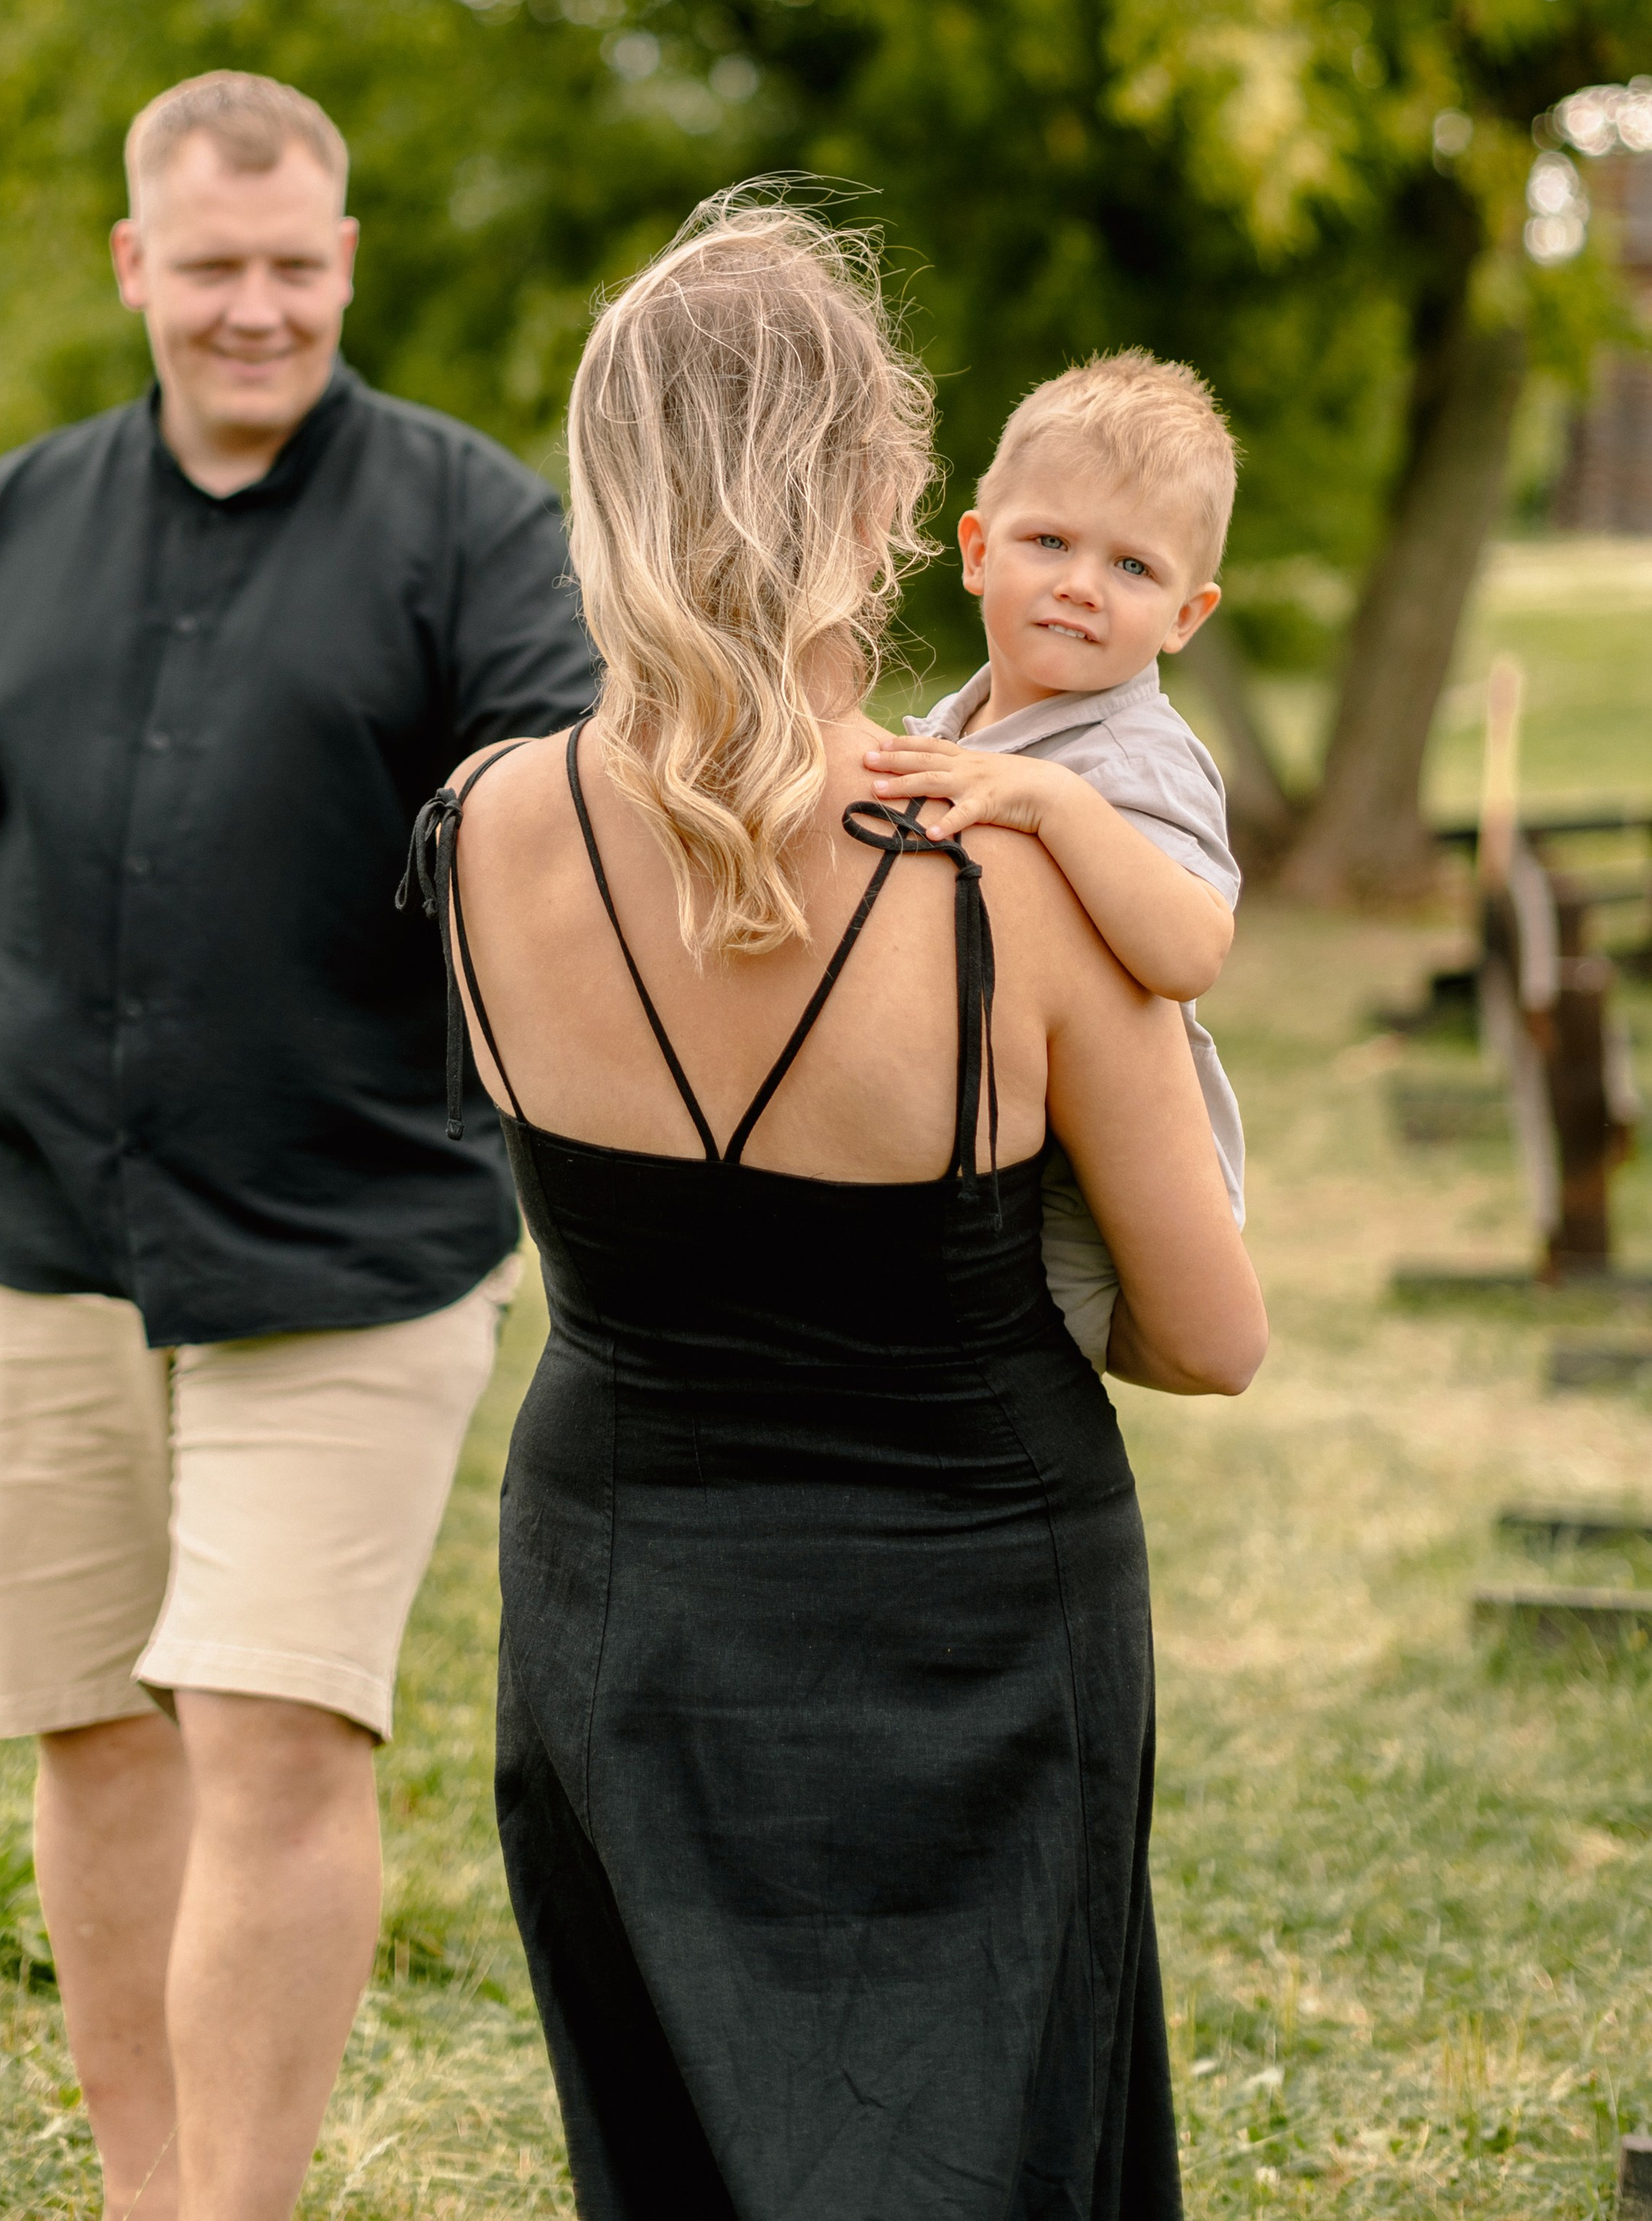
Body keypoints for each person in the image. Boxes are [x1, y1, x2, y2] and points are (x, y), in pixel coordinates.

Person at [0, 70, 594, 2221]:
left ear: (347, 261)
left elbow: (567, 838)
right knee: (100, 1746)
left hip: (355, 1253)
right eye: (213, 267)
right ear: (136, 264)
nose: (257, 310)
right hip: (35, 1249)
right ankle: (143, 2198)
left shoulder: (473, 530)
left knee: (281, 1740)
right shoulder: (8, 529)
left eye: (297, 265)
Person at [408, 203, 1267, 2219]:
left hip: (619, 1592)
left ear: (604, 494)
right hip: (974, 1604)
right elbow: (1208, 1337)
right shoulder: (1010, 873)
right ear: (893, 504)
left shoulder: (476, 833)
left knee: (679, 2151)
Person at [861, 351, 1248, 1368]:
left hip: (1090, 1192)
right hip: (991, 1123)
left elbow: (1191, 949)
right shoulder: (964, 716)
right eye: (1050, 542)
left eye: (1133, 567)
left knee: (991, 1360)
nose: (1081, 586)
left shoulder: (1133, 760)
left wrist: (1055, 804)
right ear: (980, 552)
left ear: (1185, 617)